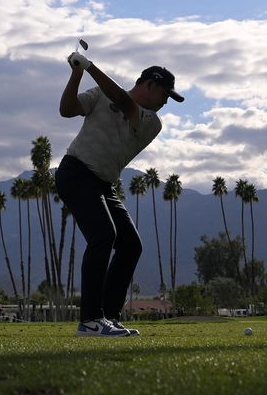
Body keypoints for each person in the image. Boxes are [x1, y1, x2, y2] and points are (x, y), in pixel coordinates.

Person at [57, 52, 183, 337]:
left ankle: (107, 318)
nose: (165, 103)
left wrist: (90, 67)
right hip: (75, 172)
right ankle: (90, 320)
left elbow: (125, 103)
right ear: (150, 84)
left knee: (130, 245)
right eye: (165, 94)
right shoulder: (101, 93)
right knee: (103, 236)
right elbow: (67, 109)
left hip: (103, 184)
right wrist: (77, 72)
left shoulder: (151, 121)